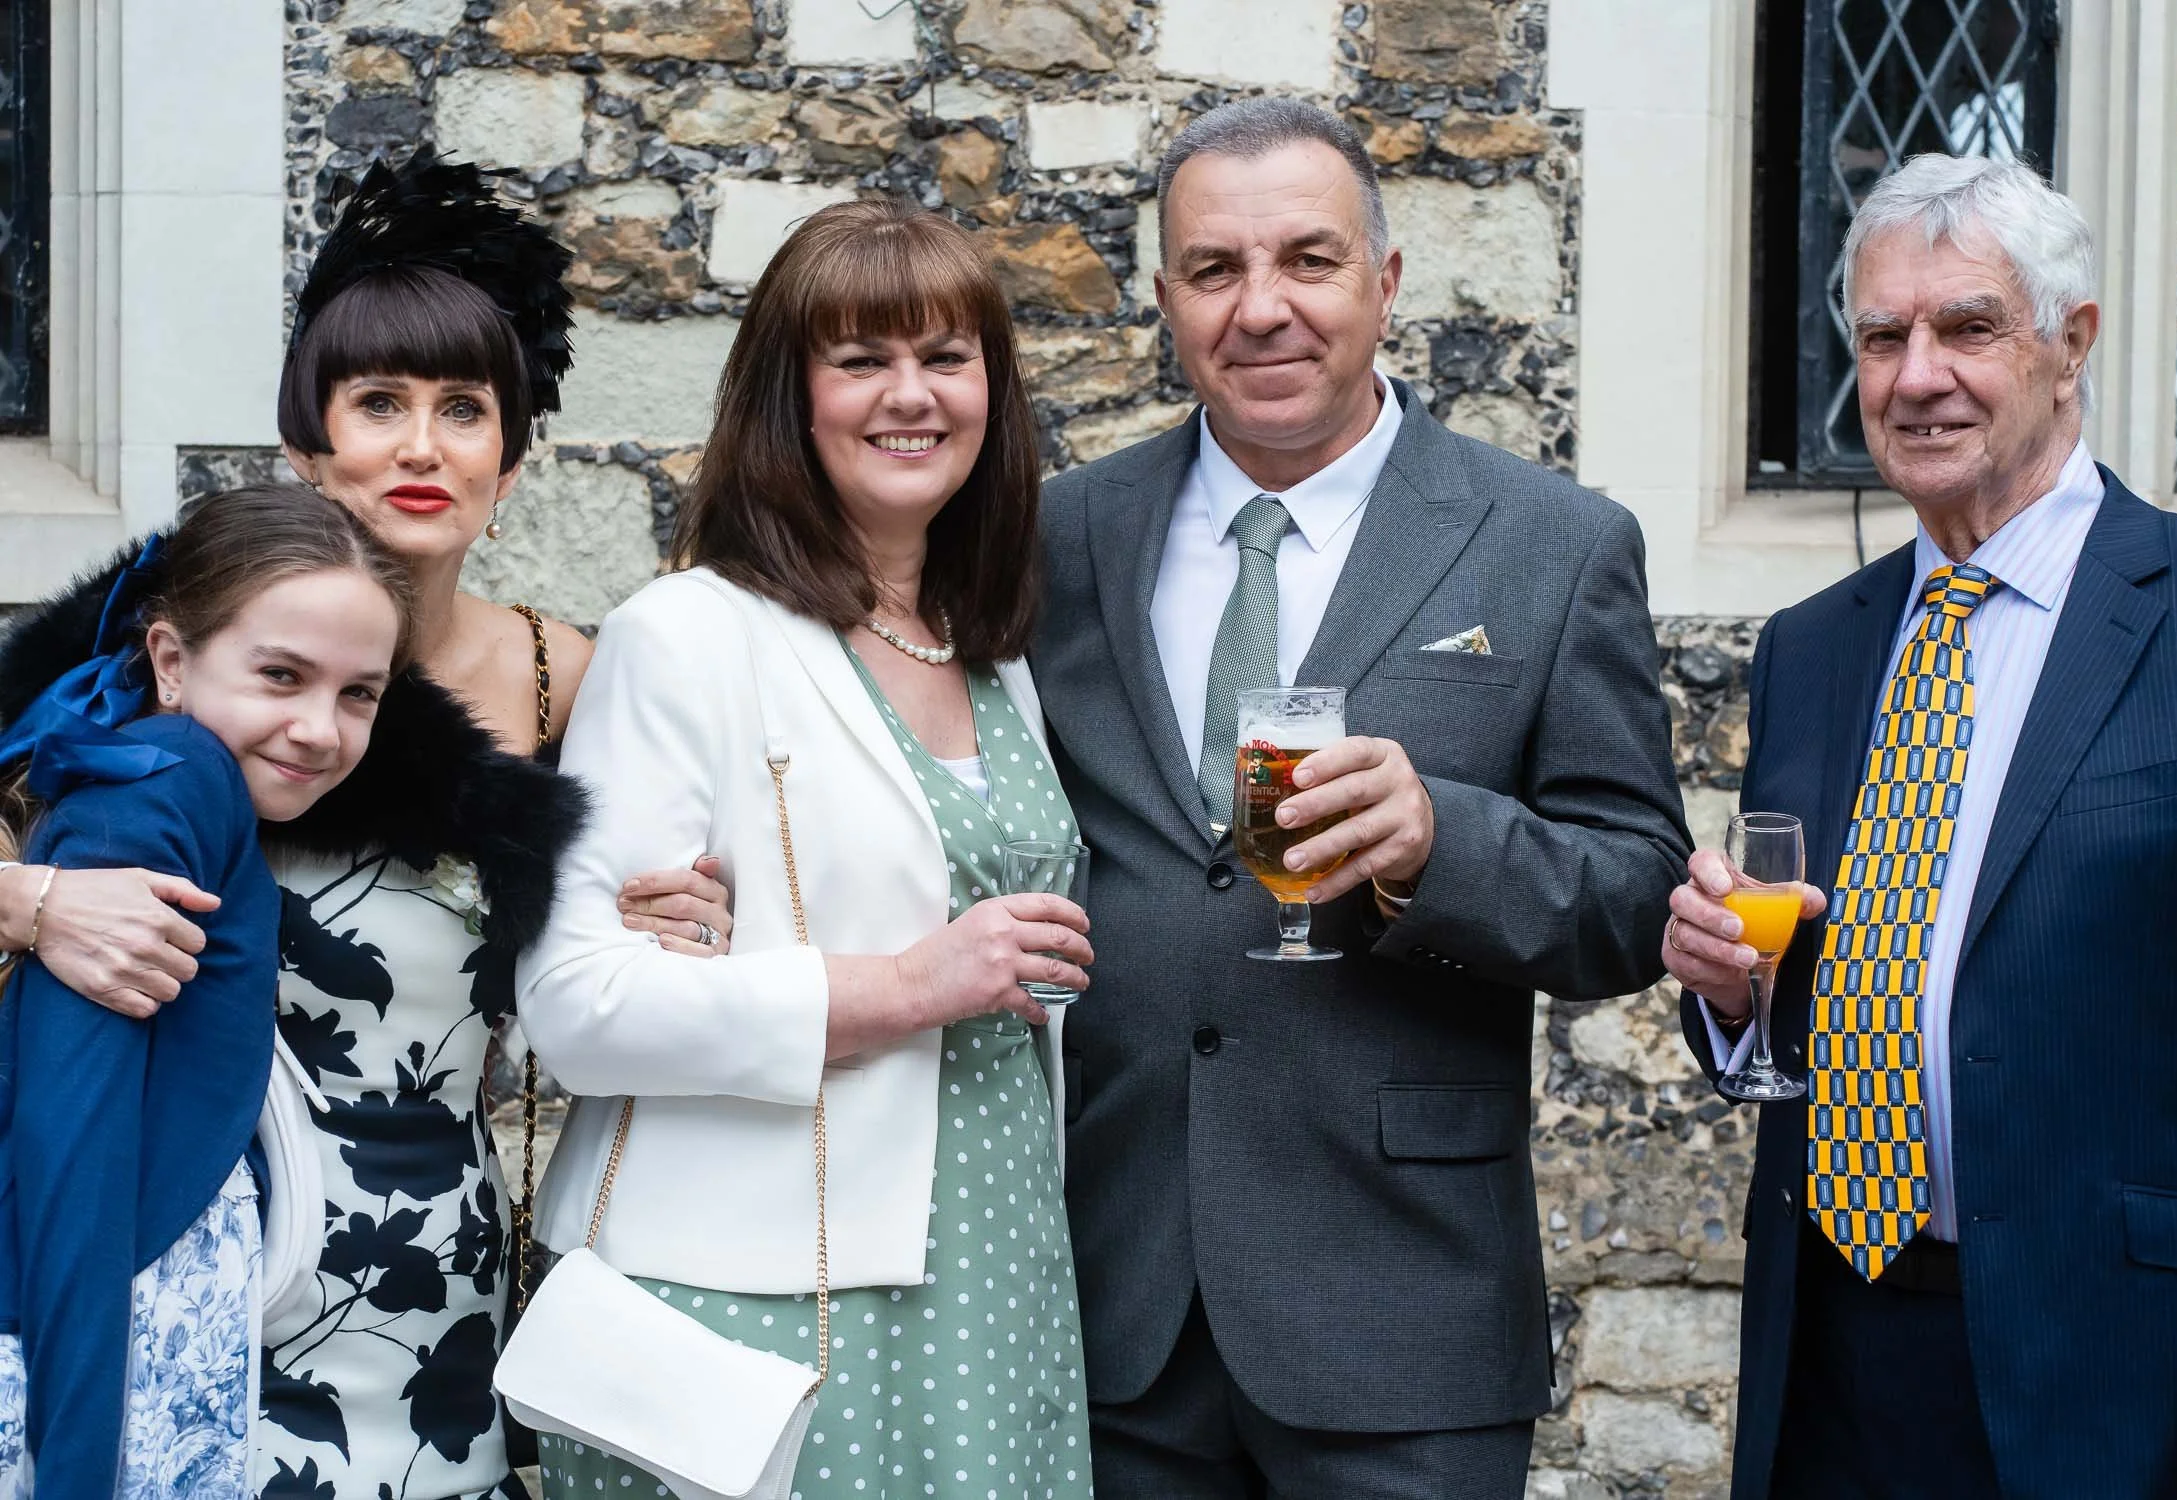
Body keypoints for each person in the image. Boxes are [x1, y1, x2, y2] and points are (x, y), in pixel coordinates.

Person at [0, 149, 734, 1499]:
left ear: (511, 458)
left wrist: (662, 920)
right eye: (378, 402)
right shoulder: (176, 631)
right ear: (307, 445)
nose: (420, 445)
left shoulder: (565, 677)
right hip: (198, 1272)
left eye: (463, 409)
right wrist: (30, 902)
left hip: (438, 1278)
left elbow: (600, 968)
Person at [1034, 97, 1691, 1498]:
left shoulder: (1551, 545)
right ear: (1165, 301)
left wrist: (1444, 842)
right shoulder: (1061, 534)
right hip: (1117, 1306)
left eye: (1308, 261)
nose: (1261, 308)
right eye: (1214, 270)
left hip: (1403, 1313)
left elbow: (1636, 893)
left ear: (1385, 284)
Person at [1662, 154, 2177, 1500]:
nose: (1916, 377)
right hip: (1836, 1361)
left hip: (2121, 1378)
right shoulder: (1812, 646)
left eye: (1967, 328)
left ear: (2071, 343)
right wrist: (1731, 990)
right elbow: (1802, 991)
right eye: (1882, 338)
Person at [517, 198, 1097, 1498]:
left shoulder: (993, 654)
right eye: (861, 360)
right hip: (763, 1296)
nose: (912, 394)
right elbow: (576, 1005)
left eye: (947, 358)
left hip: (995, 1261)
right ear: (791, 397)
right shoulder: (685, 635)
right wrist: (902, 985)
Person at [0, 482, 416, 1498]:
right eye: (281, 675)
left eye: (359, 694)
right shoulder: (172, 782)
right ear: (172, 661)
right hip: (92, 1359)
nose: (319, 729)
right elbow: (73, 1154)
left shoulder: (170, 777)